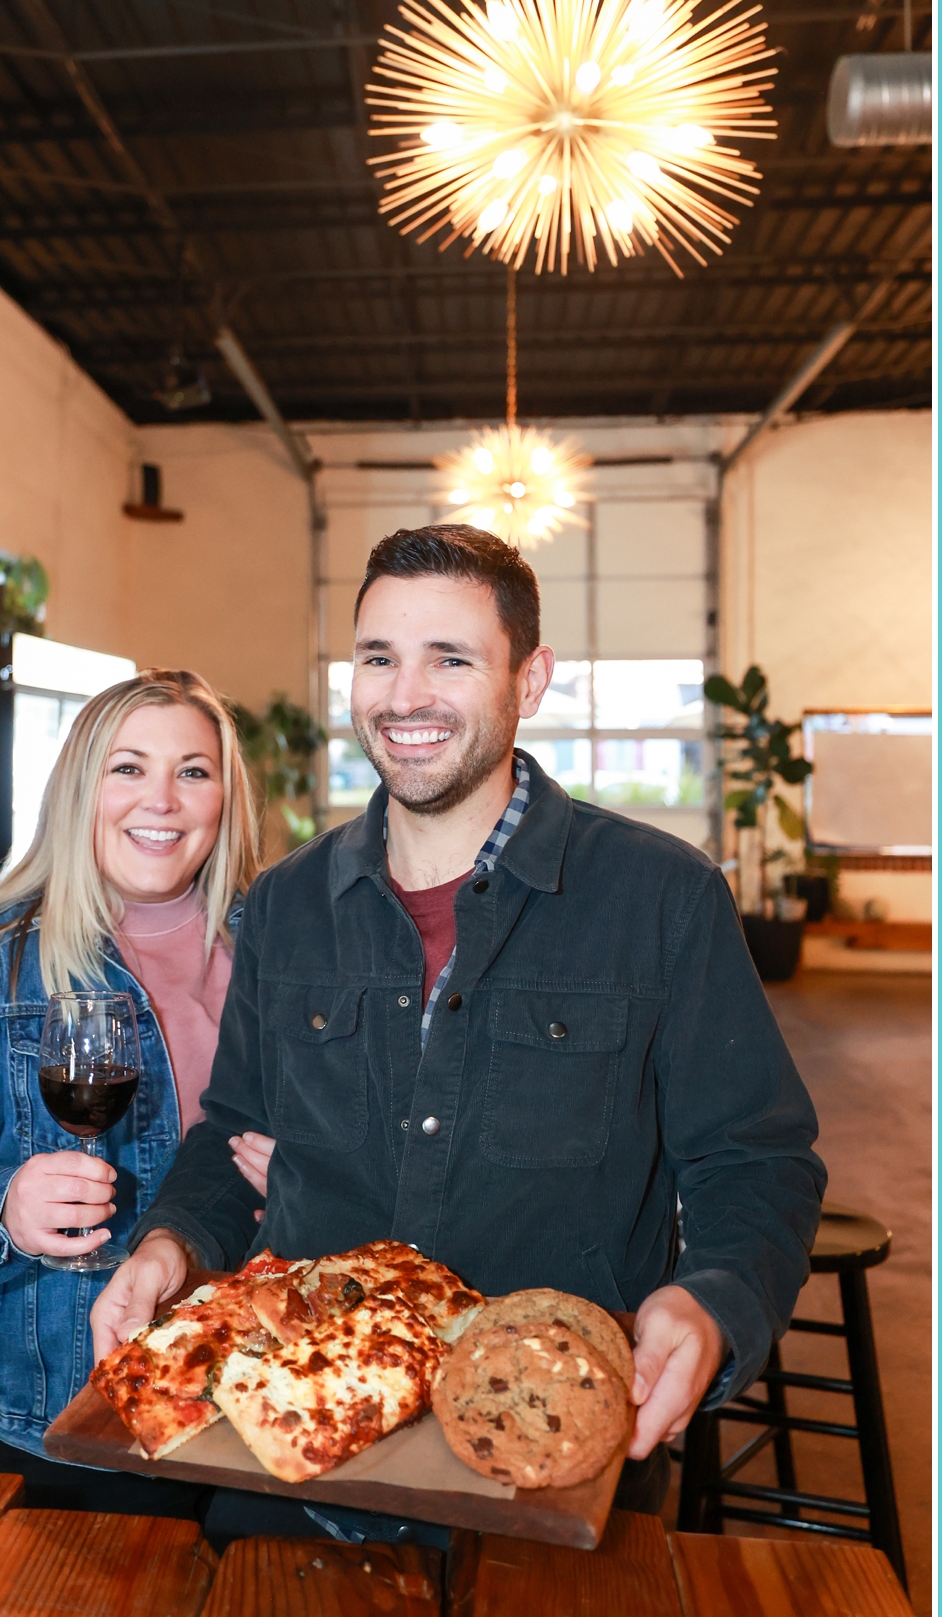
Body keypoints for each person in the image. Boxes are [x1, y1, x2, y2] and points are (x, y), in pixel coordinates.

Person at [92, 527, 826, 1527]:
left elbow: (756, 1157)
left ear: (530, 680)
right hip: (302, 1459)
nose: (405, 697)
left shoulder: (661, 899)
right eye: (378, 658)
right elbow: (233, 1130)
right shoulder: (287, 905)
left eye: (451, 658)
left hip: (544, 1469)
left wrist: (715, 1299)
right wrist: (170, 1244)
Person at [0, 668, 273, 1514]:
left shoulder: (279, 947)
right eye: (128, 768)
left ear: (224, 796)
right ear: (80, 788)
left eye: (192, 771)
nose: (160, 799)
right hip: (71, 1417)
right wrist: (2, 1211)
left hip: (262, 1400)